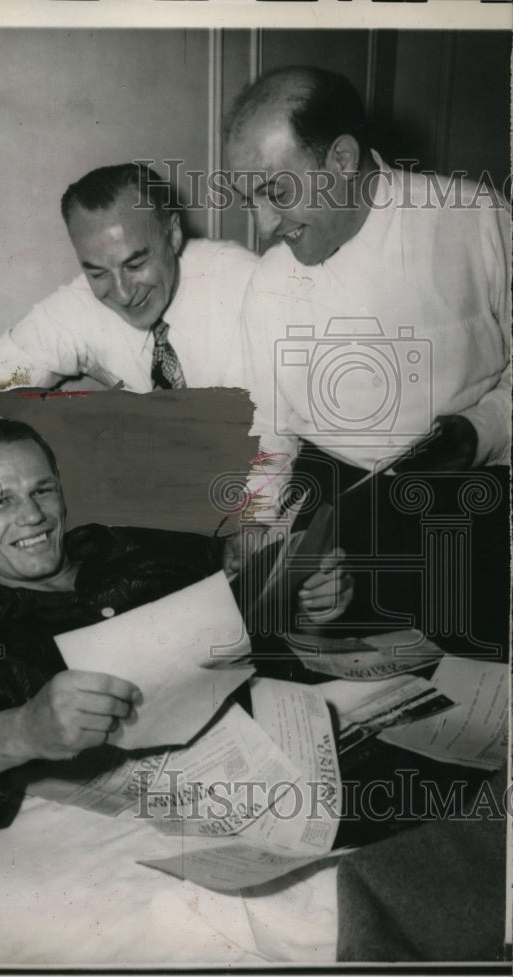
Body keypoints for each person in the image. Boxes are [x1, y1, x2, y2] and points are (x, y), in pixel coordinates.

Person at [0, 418, 352, 837]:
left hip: (323, 730)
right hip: (209, 807)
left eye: (42, 490)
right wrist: (19, 732)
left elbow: (246, 587)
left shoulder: (120, 545)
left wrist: (312, 601)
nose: (33, 515)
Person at [224, 66, 510, 649]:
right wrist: (253, 528)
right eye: (248, 197)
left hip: (472, 491)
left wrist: (481, 430)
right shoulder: (270, 281)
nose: (262, 226)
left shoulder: (476, 216)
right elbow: (271, 433)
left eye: (276, 192)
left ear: (343, 160)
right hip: (337, 512)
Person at [0, 163, 258, 392]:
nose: (121, 293)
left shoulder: (246, 285)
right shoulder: (81, 306)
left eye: (135, 264)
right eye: (98, 272)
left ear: (174, 233)